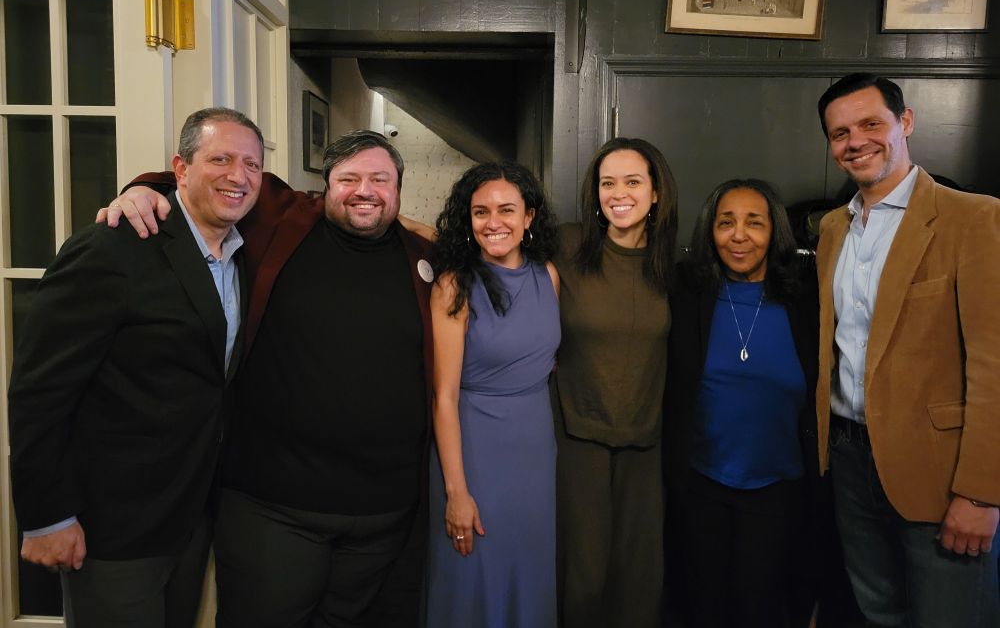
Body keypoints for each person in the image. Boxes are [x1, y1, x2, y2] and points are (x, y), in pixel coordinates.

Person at [102, 130, 434, 627]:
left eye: (379, 179)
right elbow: (211, 183)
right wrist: (143, 189)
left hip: (383, 515)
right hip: (274, 507)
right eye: (349, 179)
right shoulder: (284, 219)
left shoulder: (422, 255)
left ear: (399, 189)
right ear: (325, 188)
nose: (364, 190)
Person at [8, 107, 264, 628]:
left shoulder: (243, 256)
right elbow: (40, 392)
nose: (238, 176)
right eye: (220, 159)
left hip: (190, 520)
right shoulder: (114, 247)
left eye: (252, 165)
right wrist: (45, 518)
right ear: (181, 168)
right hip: (113, 527)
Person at [816, 73, 1000, 626]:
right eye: (840, 132)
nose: (855, 141)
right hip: (848, 457)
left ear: (907, 122)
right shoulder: (831, 230)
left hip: (940, 472)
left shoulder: (974, 218)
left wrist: (982, 492)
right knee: (878, 614)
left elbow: (995, 365)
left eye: (871, 124)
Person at [664, 178, 819, 628]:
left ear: (776, 232)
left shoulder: (804, 298)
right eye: (725, 223)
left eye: (755, 223)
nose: (739, 235)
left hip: (779, 489)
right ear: (709, 231)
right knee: (702, 608)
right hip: (700, 485)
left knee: (761, 609)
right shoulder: (686, 293)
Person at [425, 161, 561, 627]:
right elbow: (443, 397)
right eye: (480, 212)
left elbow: (543, 359)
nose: (493, 222)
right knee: (472, 578)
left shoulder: (549, 276)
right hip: (477, 454)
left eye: (507, 209)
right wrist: (456, 491)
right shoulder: (453, 286)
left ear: (529, 217)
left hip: (535, 456)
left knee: (529, 574)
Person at [552, 136, 677, 628]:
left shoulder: (672, 270)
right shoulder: (566, 244)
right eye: (607, 182)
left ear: (656, 193)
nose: (618, 193)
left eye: (631, 181)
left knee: (638, 582)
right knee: (581, 581)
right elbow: (488, 238)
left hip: (646, 442)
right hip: (574, 437)